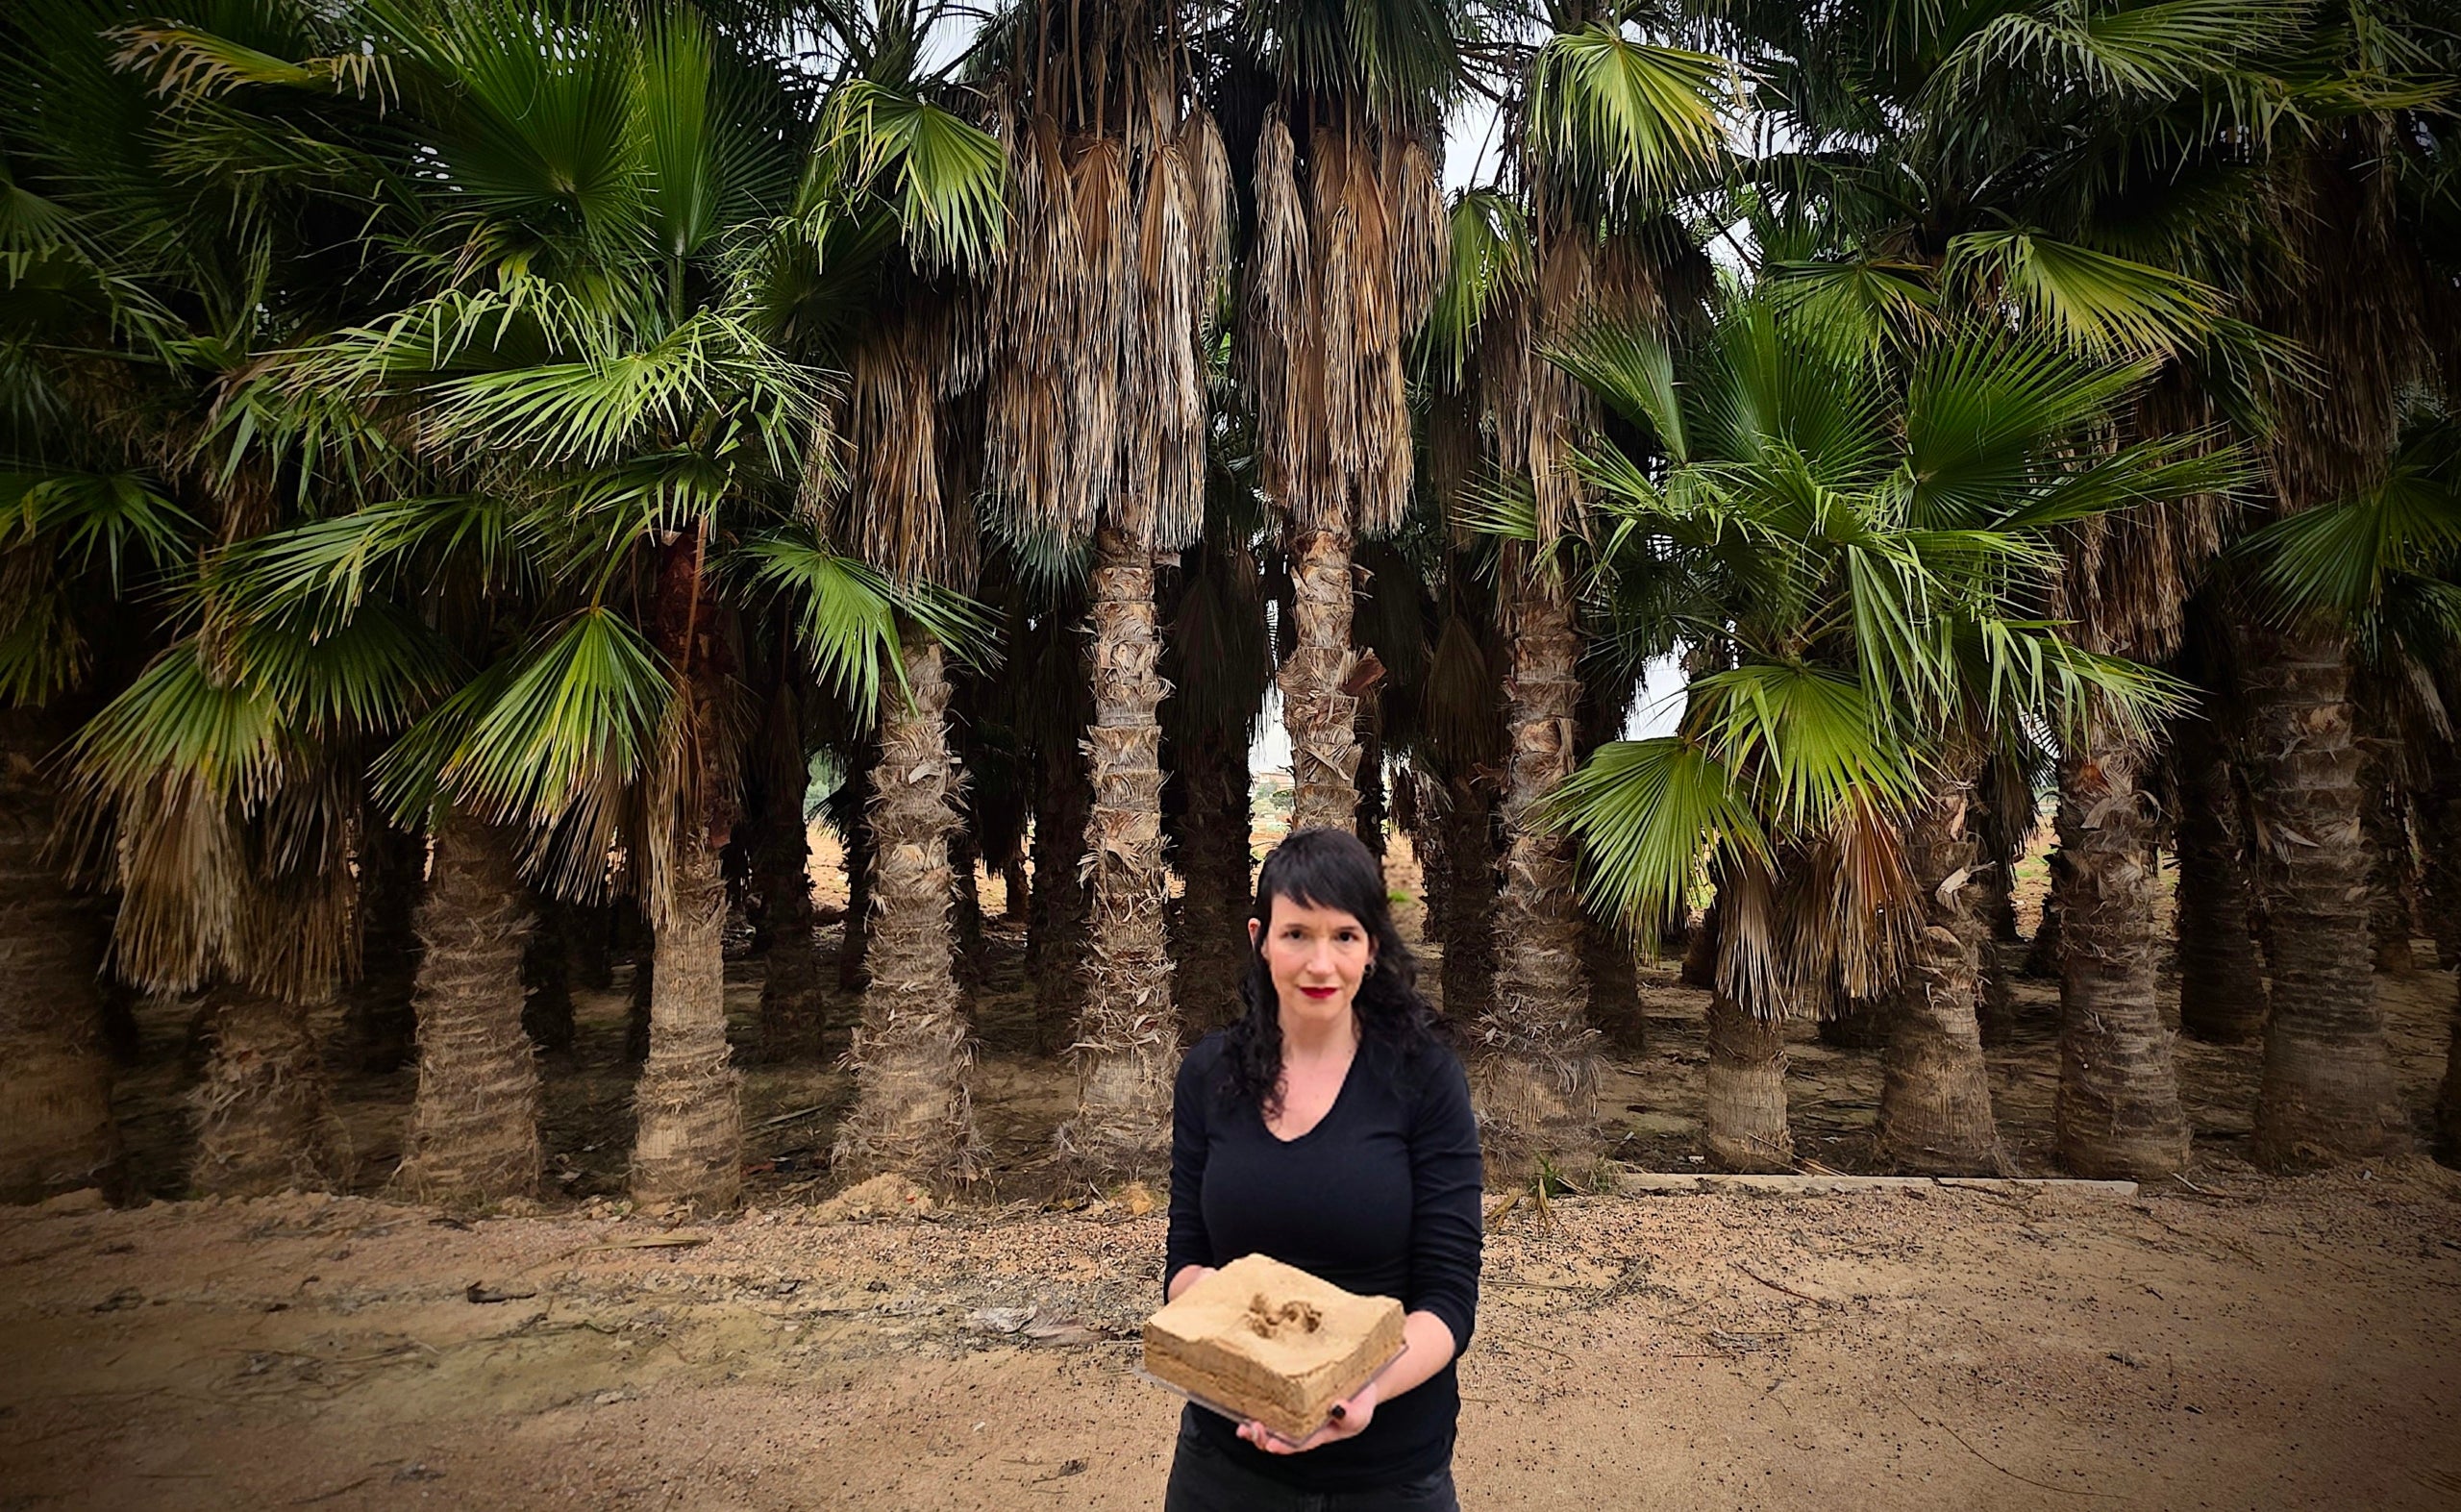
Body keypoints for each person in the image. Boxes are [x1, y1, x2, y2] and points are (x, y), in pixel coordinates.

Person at [1161, 827, 1482, 1512]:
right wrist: (1249, 1360)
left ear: (1372, 947)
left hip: (1389, 1471)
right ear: (1260, 936)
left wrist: (1356, 1387)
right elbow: (1186, 1263)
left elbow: (1449, 1299)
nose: (1321, 963)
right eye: (1296, 933)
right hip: (1226, 1462)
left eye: (1344, 936)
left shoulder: (1424, 1078)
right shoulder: (1208, 1075)